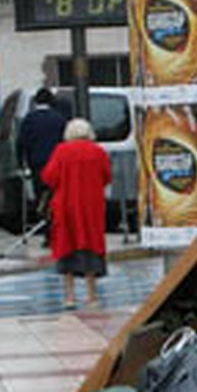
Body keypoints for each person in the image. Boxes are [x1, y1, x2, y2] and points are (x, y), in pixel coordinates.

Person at [41, 117, 112, 309]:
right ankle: (92, 297)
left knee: (67, 247)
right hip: (92, 208)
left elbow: (49, 177)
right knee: (91, 247)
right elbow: (107, 177)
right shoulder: (98, 152)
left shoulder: (61, 151)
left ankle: (70, 297)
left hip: (66, 207)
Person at [17, 88, 67, 234]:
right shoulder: (59, 119)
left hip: (37, 165)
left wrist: (21, 163)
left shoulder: (29, 120)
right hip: (57, 165)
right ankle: (58, 228)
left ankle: (47, 229)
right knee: (57, 197)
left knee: (41, 197)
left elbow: (21, 143)